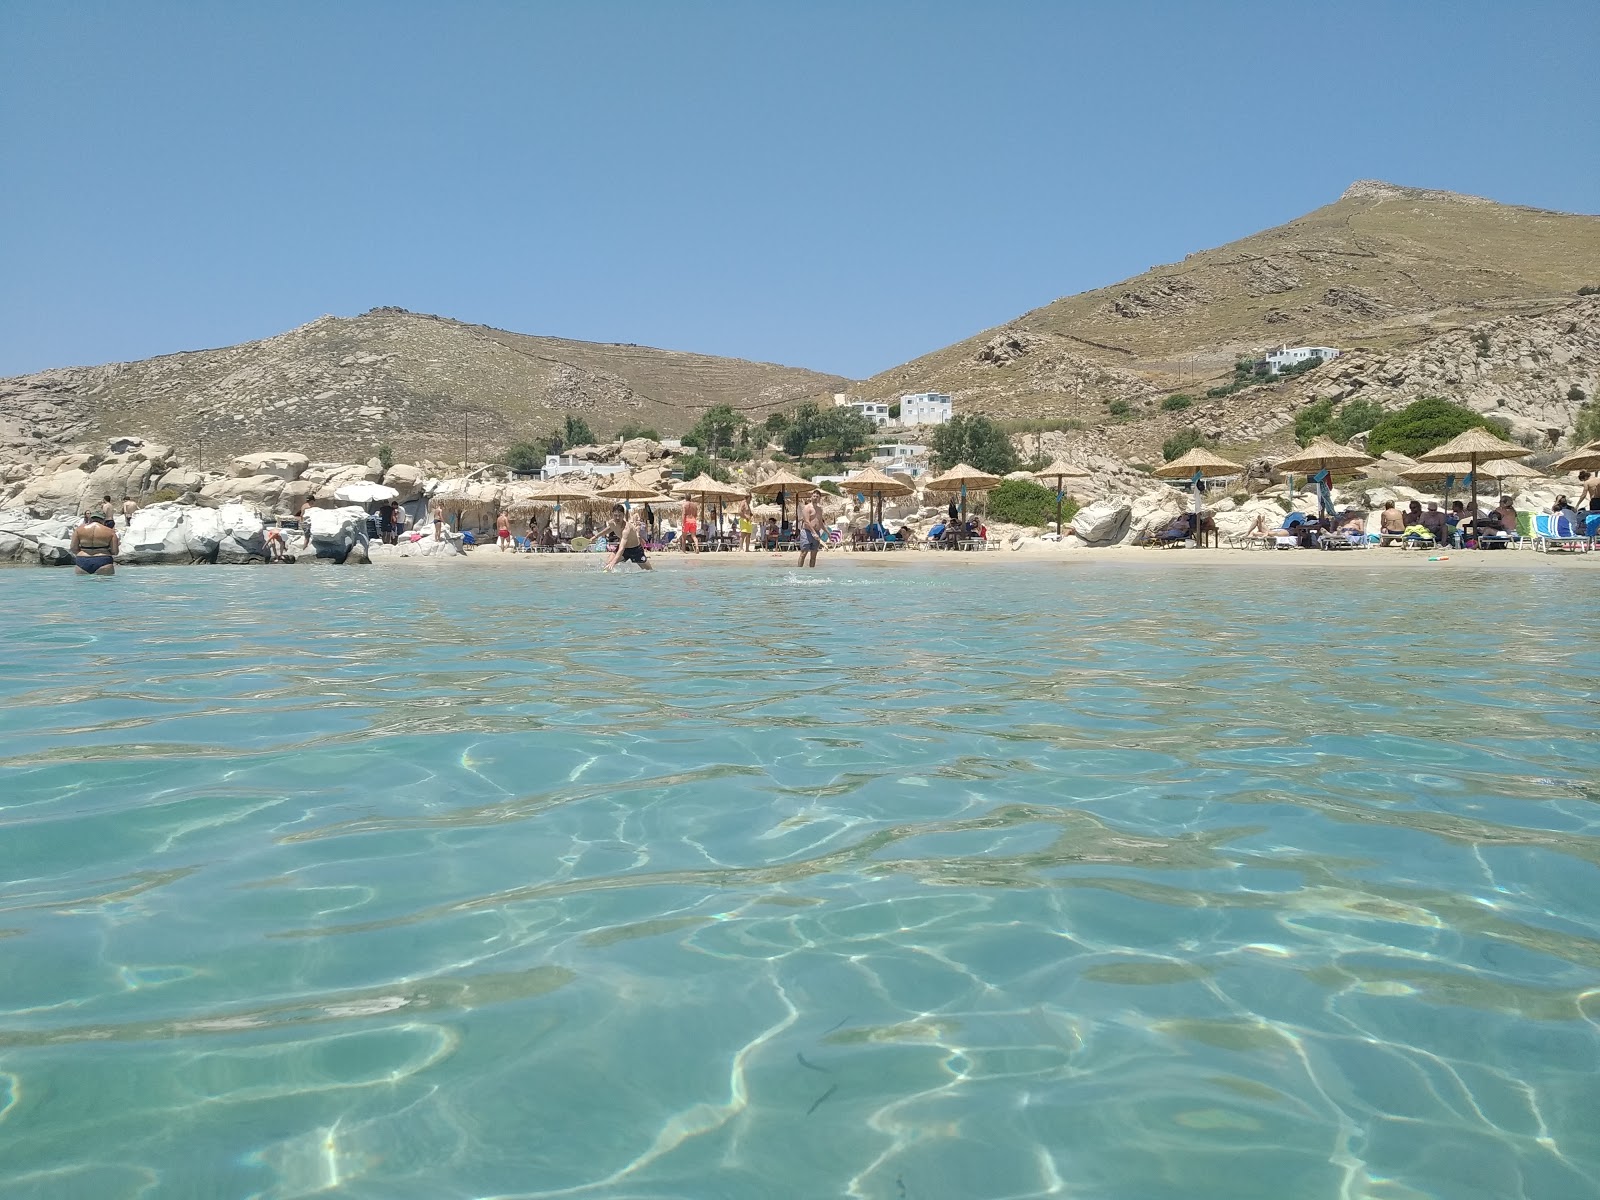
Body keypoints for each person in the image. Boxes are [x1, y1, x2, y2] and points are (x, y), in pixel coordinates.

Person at [603, 504, 652, 571]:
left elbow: (621, 548)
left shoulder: (627, 528)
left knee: (649, 571)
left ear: (623, 515)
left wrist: (613, 562)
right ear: (612, 514)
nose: (617, 518)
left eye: (619, 515)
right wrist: (595, 537)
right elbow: (609, 529)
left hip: (635, 549)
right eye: (615, 515)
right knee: (608, 564)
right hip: (624, 549)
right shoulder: (611, 523)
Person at [70, 511, 118, 576]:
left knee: (83, 584)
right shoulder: (110, 532)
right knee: (105, 585)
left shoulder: (79, 530)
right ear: (103, 520)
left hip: (82, 559)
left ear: (91, 518)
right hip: (103, 559)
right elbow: (115, 551)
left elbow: (73, 548)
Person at [798, 490, 823, 568]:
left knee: (814, 554)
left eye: (817, 497)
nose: (815, 498)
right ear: (811, 497)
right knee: (804, 553)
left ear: (819, 498)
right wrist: (813, 533)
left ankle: (811, 572)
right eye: (814, 496)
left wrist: (828, 533)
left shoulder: (820, 509)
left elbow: (821, 522)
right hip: (807, 532)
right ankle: (799, 570)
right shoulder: (807, 508)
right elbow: (807, 521)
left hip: (817, 532)